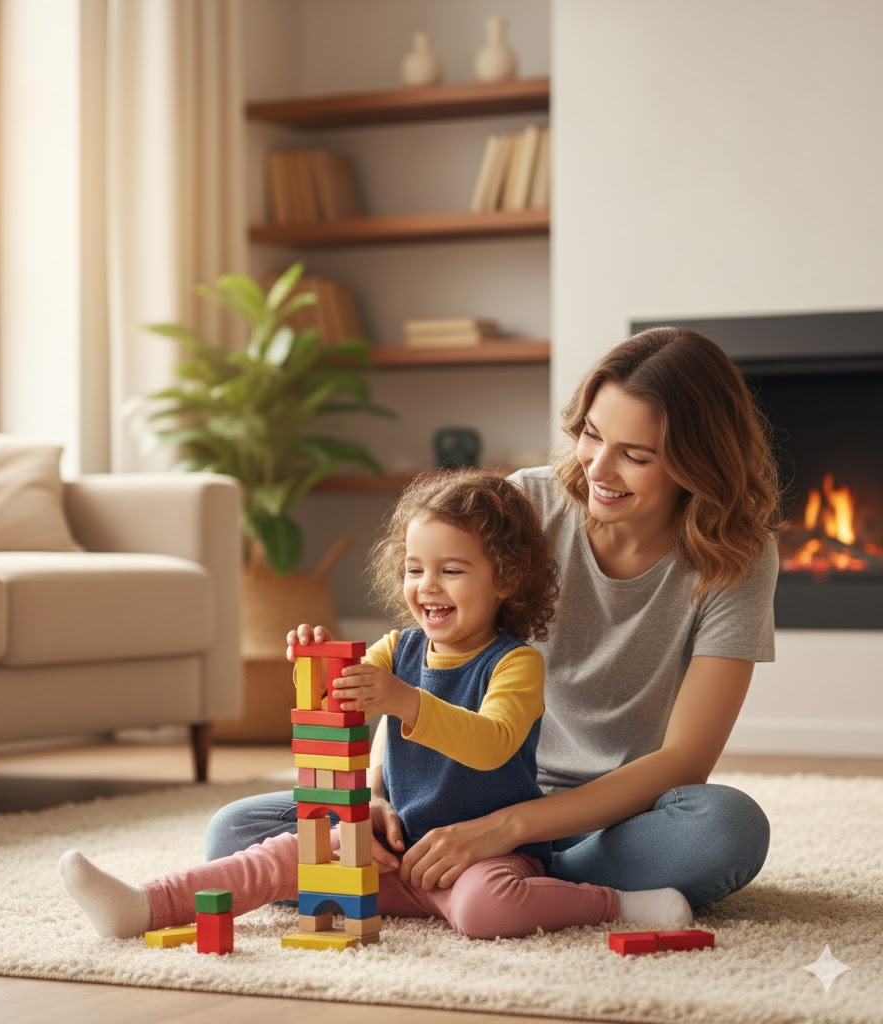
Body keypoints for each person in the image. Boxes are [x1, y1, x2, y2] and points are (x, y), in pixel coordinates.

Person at [205, 326, 783, 910]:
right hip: (458, 795)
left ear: (697, 463)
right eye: (591, 434)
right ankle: (500, 892)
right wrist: (375, 797)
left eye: (635, 456)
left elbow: (685, 760)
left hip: (608, 820)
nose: (599, 469)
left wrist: (505, 830)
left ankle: (497, 882)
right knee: (233, 830)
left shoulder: (739, 557)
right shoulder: (527, 503)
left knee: (727, 828)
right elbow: (422, 663)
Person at [59, 468, 693, 940]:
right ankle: (146, 905)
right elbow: (342, 711)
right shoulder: (398, 648)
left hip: (486, 854)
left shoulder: (515, 663)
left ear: (505, 578)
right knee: (286, 852)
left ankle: (613, 902)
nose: (428, 586)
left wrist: (406, 701)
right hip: (392, 847)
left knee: (485, 910)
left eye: (451, 570)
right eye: (415, 569)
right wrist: (318, 663)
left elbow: (492, 744)